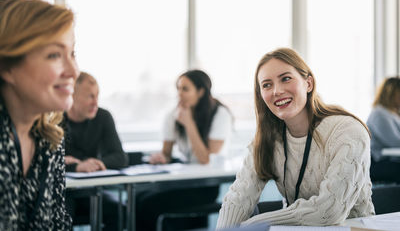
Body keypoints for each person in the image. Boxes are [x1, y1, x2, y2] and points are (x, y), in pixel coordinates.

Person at [217, 48, 374, 229]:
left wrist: (255, 224)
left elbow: (328, 211)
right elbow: (238, 200)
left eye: (286, 78)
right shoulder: (268, 138)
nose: (277, 91)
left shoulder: (346, 131)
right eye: (267, 85)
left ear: (308, 84)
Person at [0, 0, 78, 230]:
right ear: (7, 67)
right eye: (54, 55)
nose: (73, 70)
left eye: (72, 54)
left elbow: (58, 223)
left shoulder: (49, 140)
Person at [136, 69, 233, 231]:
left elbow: (206, 159)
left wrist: (189, 124)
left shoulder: (220, 114)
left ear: (201, 92)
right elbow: (166, 153)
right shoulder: (173, 115)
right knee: (137, 196)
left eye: (185, 89)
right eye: (178, 89)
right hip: (181, 181)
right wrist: (161, 158)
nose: (179, 94)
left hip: (205, 186)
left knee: (147, 204)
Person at [64, 71, 128, 230]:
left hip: (91, 190)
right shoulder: (54, 119)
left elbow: (120, 158)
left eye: (97, 96)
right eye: (89, 96)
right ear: (72, 95)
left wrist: (94, 164)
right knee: (62, 213)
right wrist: (77, 167)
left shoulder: (103, 117)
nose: (95, 102)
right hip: (62, 192)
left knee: (120, 211)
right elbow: (47, 162)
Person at [367, 77, 400, 183]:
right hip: (378, 163)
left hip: (389, 159)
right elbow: (395, 142)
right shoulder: (380, 114)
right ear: (391, 94)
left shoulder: (392, 113)